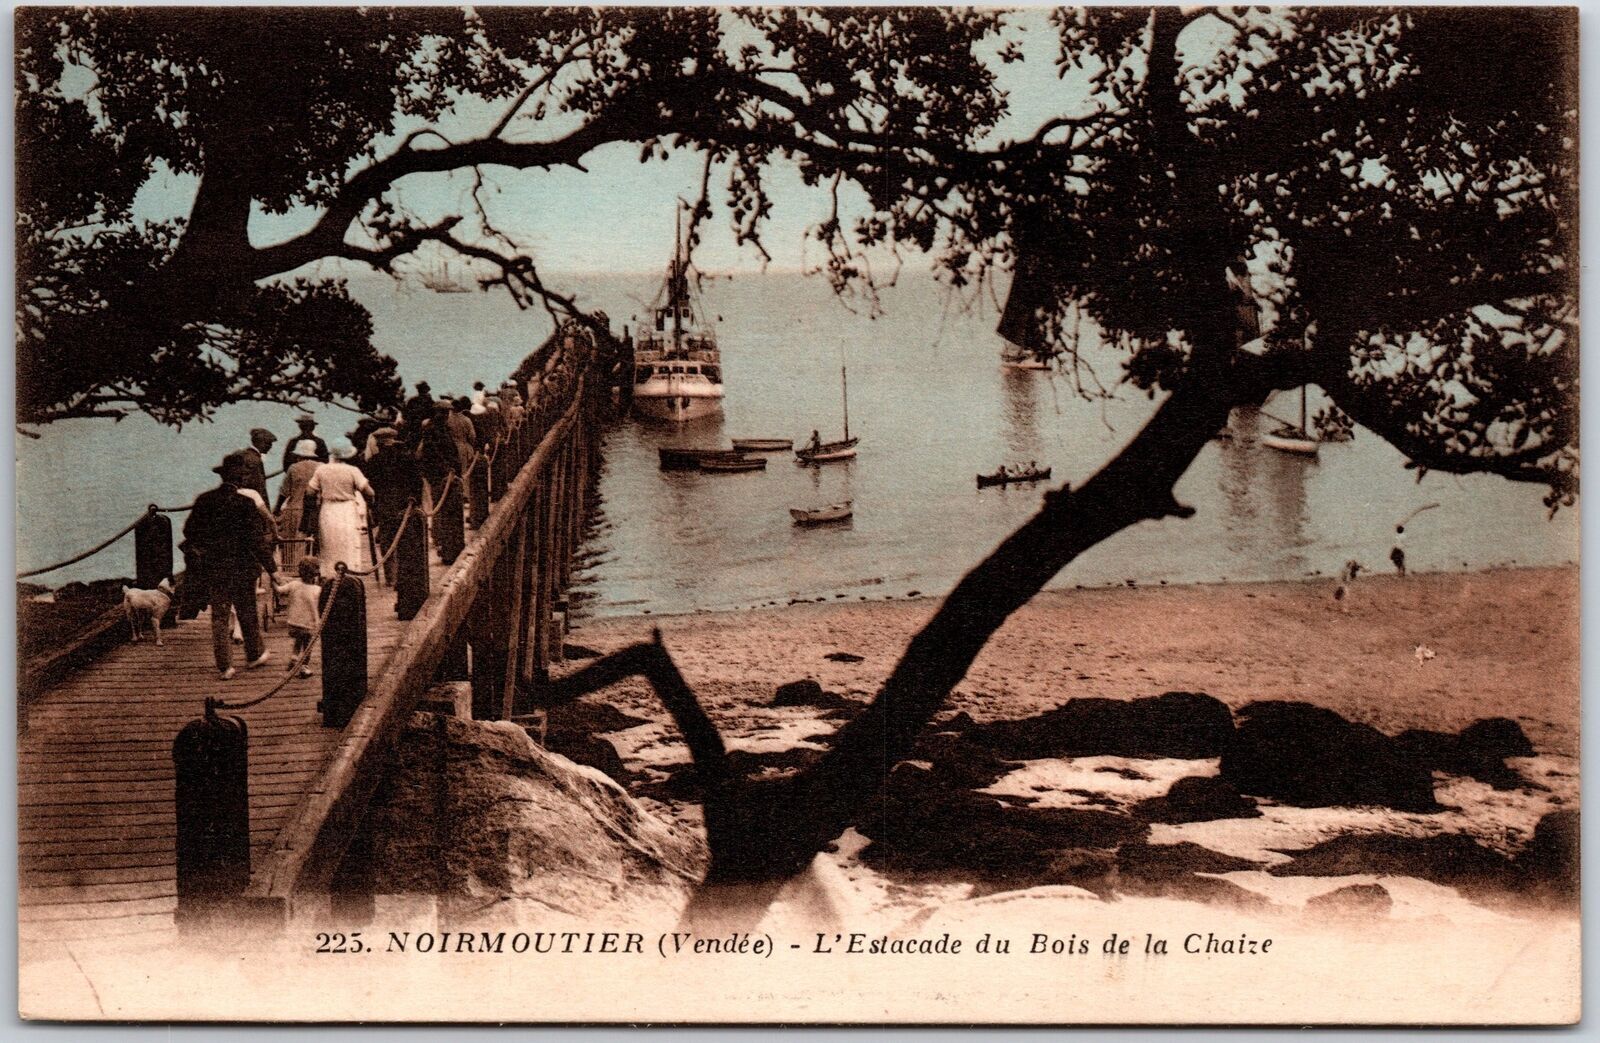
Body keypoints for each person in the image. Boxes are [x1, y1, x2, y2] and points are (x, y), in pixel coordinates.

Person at [183, 455, 278, 679]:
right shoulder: (245, 504)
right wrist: (273, 570)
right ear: (241, 478)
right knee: (247, 612)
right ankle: (254, 655)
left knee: (219, 616)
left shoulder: (204, 500)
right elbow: (257, 541)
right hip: (243, 568)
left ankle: (225, 666)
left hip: (215, 567)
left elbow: (189, 532)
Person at [306, 440, 374, 578]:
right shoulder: (353, 470)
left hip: (328, 509)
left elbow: (309, 492)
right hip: (347, 509)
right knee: (348, 542)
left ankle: (330, 575)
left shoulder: (321, 470)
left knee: (328, 543)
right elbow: (369, 492)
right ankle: (348, 575)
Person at [363, 427, 419, 585]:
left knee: (387, 539)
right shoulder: (406, 458)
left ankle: (391, 576)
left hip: (384, 503)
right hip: (403, 503)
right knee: (404, 536)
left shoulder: (373, 462)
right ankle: (405, 573)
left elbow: (370, 488)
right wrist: (414, 499)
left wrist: (371, 507)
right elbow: (416, 481)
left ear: (379, 444)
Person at [274, 439, 322, 574]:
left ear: (299, 455)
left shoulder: (293, 468)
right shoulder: (321, 467)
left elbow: (284, 492)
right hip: (315, 510)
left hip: (295, 509)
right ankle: (312, 572)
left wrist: (277, 509)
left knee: (291, 545)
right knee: (313, 545)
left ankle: (290, 572)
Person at [274, 556, 322, 678]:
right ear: (315, 574)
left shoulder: (293, 584)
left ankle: (294, 658)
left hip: (292, 624)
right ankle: (304, 667)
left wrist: (274, 582)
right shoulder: (317, 590)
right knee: (307, 646)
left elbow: (279, 590)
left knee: (298, 640)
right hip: (308, 625)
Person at [225, 427, 276, 503]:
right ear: (260, 443)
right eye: (268, 443)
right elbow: (260, 487)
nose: (270, 447)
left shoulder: (240, 454)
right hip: (249, 502)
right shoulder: (255, 459)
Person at [1224, 261, 1261, 347]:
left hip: (1246, 306)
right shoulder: (1232, 274)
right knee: (1245, 335)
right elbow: (1235, 290)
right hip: (1241, 306)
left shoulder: (1239, 271)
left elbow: (1245, 290)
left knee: (1250, 335)